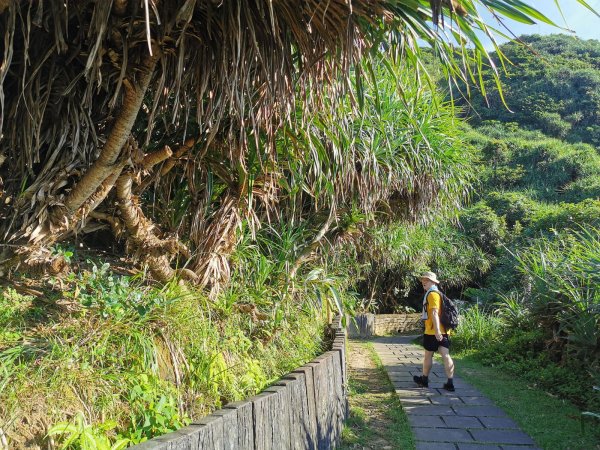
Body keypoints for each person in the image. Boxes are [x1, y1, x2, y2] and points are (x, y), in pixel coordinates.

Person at [413, 271, 455, 391]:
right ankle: (450, 384)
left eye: (426, 280)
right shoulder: (436, 293)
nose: (423, 282)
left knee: (428, 356)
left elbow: (434, 313)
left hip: (433, 331)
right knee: (445, 356)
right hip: (443, 331)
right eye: (422, 280)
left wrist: (436, 331)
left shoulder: (432, 294)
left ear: (432, 282)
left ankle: (424, 380)